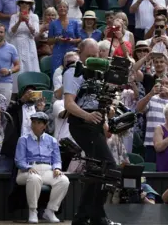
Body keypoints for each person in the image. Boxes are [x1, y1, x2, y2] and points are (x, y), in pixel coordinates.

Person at [63, 38, 122, 225]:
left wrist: (108, 110)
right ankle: (95, 216)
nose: (94, 60)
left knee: (97, 170)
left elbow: (99, 102)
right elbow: (69, 104)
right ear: (80, 53)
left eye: (96, 56)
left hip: (95, 124)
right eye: (89, 56)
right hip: (81, 123)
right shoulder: (74, 71)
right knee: (108, 167)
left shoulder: (97, 74)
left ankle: (85, 217)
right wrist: (87, 116)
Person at [15, 112, 69, 223]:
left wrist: (57, 168)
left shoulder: (52, 140)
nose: (35, 125)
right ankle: (33, 211)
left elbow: (57, 159)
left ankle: (50, 211)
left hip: (47, 169)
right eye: (33, 122)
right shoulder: (23, 139)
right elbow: (19, 160)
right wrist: (28, 167)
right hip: (27, 170)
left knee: (63, 180)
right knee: (34, 178)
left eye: (38, 123)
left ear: (44, 125)